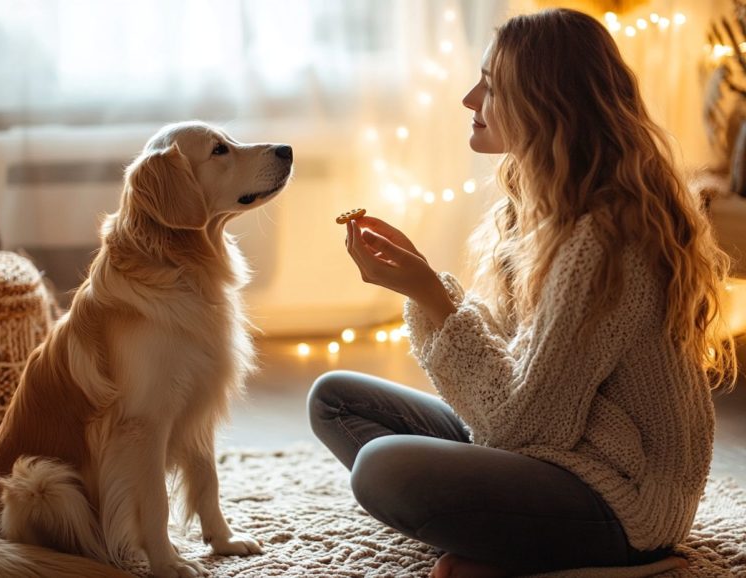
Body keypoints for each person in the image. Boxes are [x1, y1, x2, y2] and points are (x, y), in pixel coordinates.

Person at [307, 7, 737, 578]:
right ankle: (511, 543)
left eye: (489, 86)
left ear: (544, 104)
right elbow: (516, 387)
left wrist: (433, 296)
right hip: (555, 445)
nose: (468, 100)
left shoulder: (603, 239)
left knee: (383, 468)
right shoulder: (534, 208)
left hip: (623, 502)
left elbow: (516, 423)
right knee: (336, 399)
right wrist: (424, 284)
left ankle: (583, 559)